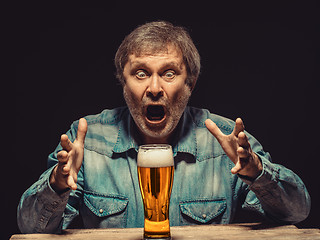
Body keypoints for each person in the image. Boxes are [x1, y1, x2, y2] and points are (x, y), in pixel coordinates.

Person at [17, 21, 310, 233]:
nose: (154, 88)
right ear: (124, 83)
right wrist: (56, 185)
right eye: (141, 73)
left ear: (190, 84)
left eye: (169, 73)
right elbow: (30, 227)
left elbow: (297, 212)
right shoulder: (87, 140)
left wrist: (257, 173)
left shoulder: (227, 141)